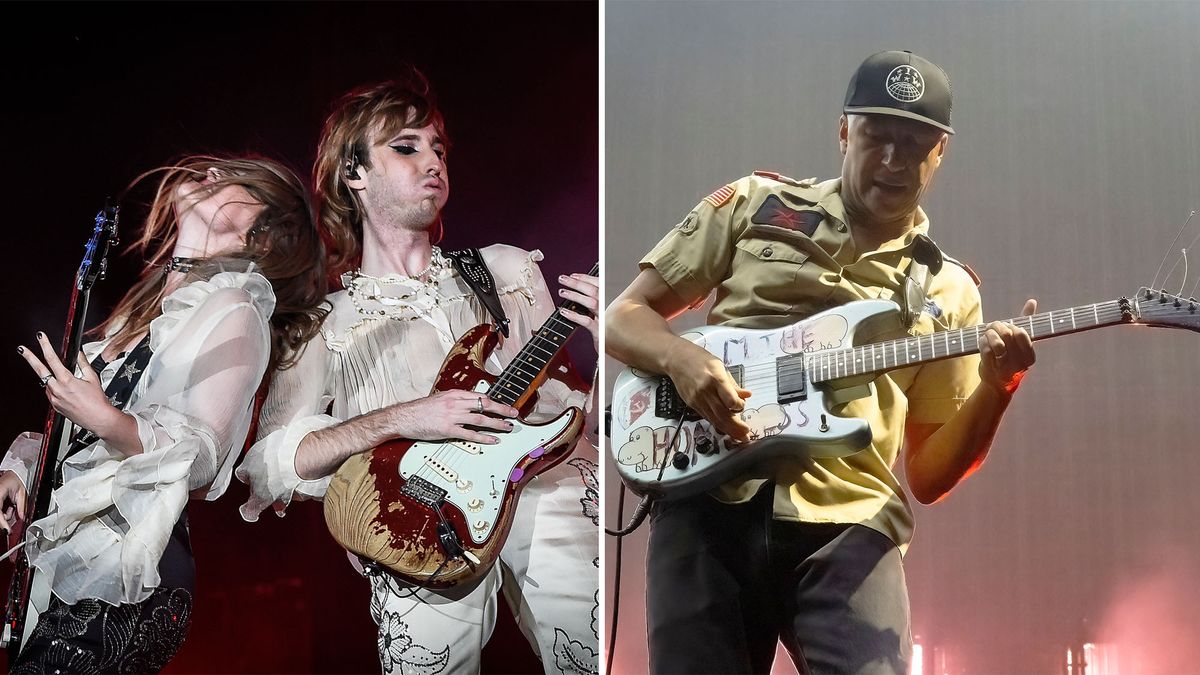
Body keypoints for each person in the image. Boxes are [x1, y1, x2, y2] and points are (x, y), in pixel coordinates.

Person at [606, 50, 1037, 674]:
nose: (893, 161)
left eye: (915, 145)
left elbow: (931, 476)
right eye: (876, 137)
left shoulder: (950, 292)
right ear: (843, 131)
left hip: (851, 526)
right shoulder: (755, 203)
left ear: (940, 152)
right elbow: (624, 317)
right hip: (710, 498)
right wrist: (680, 360)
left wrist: (998, 388)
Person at [236, 70, 601, 675]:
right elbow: (276, 461)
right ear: (354, 174)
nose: (432, 161)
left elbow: (576, 404)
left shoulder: (503, 270)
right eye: (405, 147)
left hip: (547, 489)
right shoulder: (324, 323)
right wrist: (407, 418)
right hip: (420, 522)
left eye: (438, 149)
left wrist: (607, 340)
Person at [0, 155, 328, 673]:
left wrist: (105, 419)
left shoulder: (236, 311)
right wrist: (23, 467)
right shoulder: (145, 309)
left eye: (239, 183)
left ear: (261, 239)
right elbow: (88, 441)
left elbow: (199, 455)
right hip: (79, 564)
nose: (214, 173)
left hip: (130, 569)